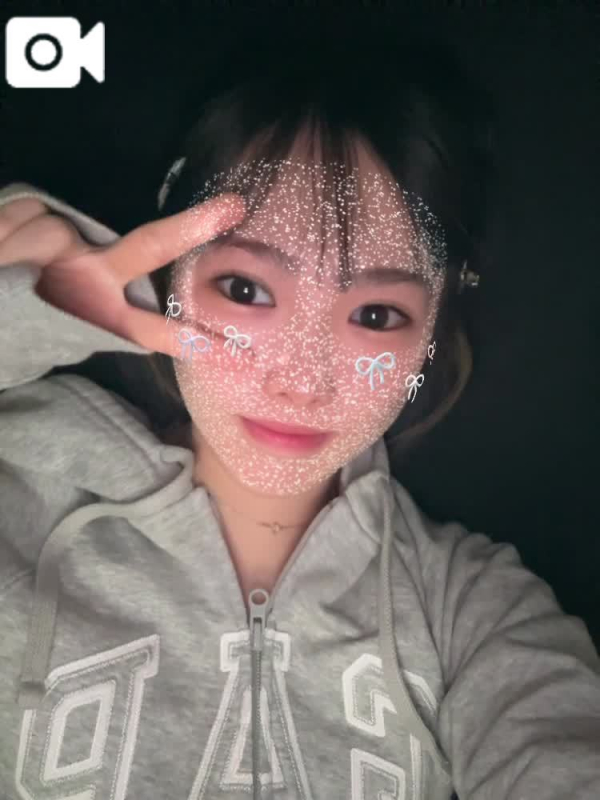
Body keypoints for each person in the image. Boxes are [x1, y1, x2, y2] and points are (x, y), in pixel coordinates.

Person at [0, 20, 598, 800]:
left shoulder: (473, 610)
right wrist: (20, 317)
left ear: (429, 338)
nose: (301, 382)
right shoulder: (25, 484)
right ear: (171, 278)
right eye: (246, 289)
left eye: (376, 315)